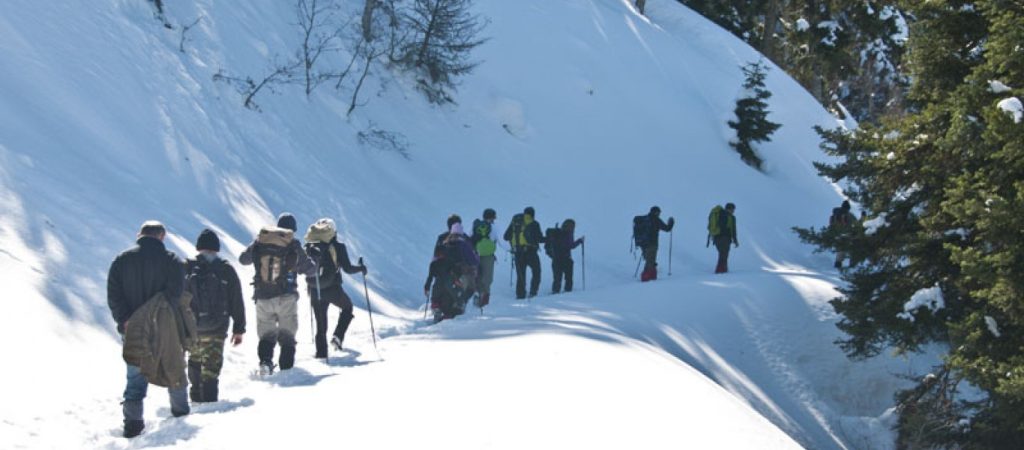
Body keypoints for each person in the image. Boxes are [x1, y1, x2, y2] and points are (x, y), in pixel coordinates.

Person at [107, 221, 188, 438]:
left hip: (132, 328)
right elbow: (176, 294)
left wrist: (124, 319)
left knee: (135, 375)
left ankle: (132, 426)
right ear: (162, 236)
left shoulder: (122, 260)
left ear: (140, 235)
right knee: (173, 367)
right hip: (164, 327)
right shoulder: (172, 261)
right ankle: (181, 417)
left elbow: (114, 295)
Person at [239, 213, 314, 375]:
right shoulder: (293, 245)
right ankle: (286, 371)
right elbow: (310, 269)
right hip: (286, 297)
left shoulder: (261, 241)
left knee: (266, 335)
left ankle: (265, 362)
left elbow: (243, 260)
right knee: (287, 336)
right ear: (293, 229)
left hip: (262, 296)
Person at [185, 229, 245, 403]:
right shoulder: (226, 269)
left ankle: (195, 398)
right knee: (211, 366)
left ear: (199, 248)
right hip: (217, 328)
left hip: (193, 327)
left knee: (194, 361)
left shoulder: (188, 267)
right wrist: (239, 328)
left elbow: (179, 299)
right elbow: (236, 301)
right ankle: (209, 402)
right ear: (216, 249)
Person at [303, 218, 367, 358]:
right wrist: (361, 268)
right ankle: (337, 337)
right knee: (347, 307)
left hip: (314, 288)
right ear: (333, 232)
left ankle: (321, 354)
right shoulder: (338, 246)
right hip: (333, 288)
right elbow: (348, 269)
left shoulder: (310, 245)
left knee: (321, 324)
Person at [425, 222, 479, 322]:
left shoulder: (444, 243)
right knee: (469, 288)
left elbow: (436, 260)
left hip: (444, 274)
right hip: (459, 273)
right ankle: (456, 309)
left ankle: (439, 309)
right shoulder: (464, 244)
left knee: (445, 288)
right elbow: (473, 260)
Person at [504, 206, 545, 299]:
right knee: (536, 272)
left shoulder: (515, 222)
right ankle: (533, 292)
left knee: (521, 274)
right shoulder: (534, 223)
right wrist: (549, 239)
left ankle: (520, 294)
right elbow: (539, 238)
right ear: (533, 214)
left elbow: (506, 236)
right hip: (531, 251)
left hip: (518, 252)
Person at [636, 206, 675, 282]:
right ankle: (647, 278)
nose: (659, 214)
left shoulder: (645, 219)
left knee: (649, 260)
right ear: (656, 212)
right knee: (650, 261)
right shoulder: (656, 220)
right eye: (659, 212)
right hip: (652, 244)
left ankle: (649, 276)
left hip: (644, 244)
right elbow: (667, 228)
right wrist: (671, 223)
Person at [471, 208, 499, 307]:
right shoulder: (492, 228)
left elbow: (471, 239)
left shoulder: (476, 226)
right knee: (487, 278)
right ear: (492, 217)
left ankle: (476, 295)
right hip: (488, 256)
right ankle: (484, 300)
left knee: (477, 276)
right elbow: (497, 240)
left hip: (475, 254)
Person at [548, 219, 584, 294]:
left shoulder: (557, 233)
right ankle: (568, 292)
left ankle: (555, 292)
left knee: (557, 278)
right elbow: (571, 245)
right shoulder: (568, 233)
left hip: (556, 259)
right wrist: (580, 241)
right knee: (568, 277)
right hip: (566, 259)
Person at [709, 203, 738, 273]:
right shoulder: (730, 217)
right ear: (730, 209)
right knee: (724, 254)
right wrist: (735, 240)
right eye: (733, 209)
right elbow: (733, 230)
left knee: (723, 254)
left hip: (717, 237)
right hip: (724, 238)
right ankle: (720, 270)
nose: (733, 211)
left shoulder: (720, 214)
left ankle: (723, 269)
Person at [829, 200, 856, 269]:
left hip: (837, 234)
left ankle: (838, 263)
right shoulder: (850, 215)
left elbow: (831, 224)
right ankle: (852, 265)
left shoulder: (835, 214)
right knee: (852, 249)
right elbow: (856, 224)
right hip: (848, 234)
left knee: (840, 249)